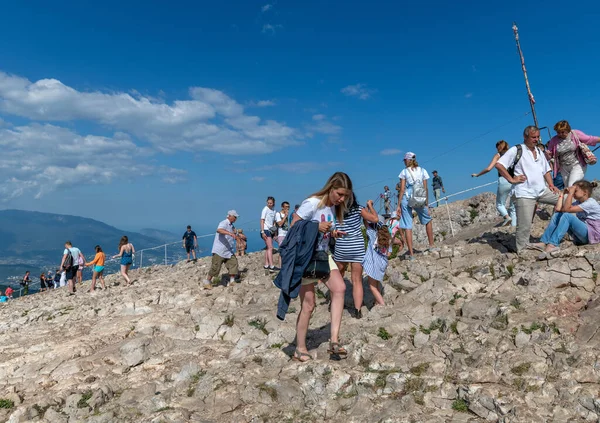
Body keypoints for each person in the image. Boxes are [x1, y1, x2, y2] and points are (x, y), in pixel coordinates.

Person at [284, 172, 352, 362]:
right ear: (330, 188)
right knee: (309, 304)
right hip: (306, 257)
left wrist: (333, 233)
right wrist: (316, 226)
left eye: (345, 196)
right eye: (339, 194)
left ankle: (335, 340)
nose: (342, 199)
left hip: (323, 255)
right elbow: (294, 225)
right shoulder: (313, 203)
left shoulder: (333, 208)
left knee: (340, 288)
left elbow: (324, 230)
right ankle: (300, 347)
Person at [496, 126, 560, 253]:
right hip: (524, 193)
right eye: (533, 137)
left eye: (537, 137)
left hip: (542, 190)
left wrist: (551, 185)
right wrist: (511, 179)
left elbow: (546, 170)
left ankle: (551, 235)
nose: (536, 139)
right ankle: (522, 251)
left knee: (564, 201)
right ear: (525, 137)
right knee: (524, 226)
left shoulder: (539, 151)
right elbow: (499, 164)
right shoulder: (516, 150)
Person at [529, 180, 600, 259]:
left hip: (592, 236)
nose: (573, 192)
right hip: (583, 235)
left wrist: (570, 193)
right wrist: (562, 194)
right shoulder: (578, 202)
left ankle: (552, 245)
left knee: (567, 216)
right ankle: (544, 242)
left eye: (575, 190)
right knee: (557, 215)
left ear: (585, 192)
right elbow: (559, 209)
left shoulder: (590, 203)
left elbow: (567, 210)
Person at [334, 197, 379, 319]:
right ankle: (357, 310)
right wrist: (370, 206)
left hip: (342, 247)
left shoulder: (335, 209)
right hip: (356, 247)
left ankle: (334, 303)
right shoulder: (359, 209)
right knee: (357, 280)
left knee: (338, 277)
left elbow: (330, 226)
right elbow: (375, 219)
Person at [396, 152, 439, 260]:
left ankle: (411, 254)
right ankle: (431, 246)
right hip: (419, 196)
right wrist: (427, 203)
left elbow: (402, 190)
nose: (404, 162)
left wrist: (398, 205)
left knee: (407, 225)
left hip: (407, 198)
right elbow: (426, 188)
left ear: (409, 160)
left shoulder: (404, 172)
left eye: (405, 160)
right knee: (427, 220)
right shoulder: (423, 170)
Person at [471, 140, 517, 227]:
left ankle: (507, 217)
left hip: (503, 180)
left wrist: (477, 175)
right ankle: (513, 227)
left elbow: (488, 169)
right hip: (514, 180)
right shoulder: (512, 154)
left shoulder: (498, 155)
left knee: (500, 204)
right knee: (513, 207)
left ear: (498, 147)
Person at [546, 120, 600, 188]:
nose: (560, 134)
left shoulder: (575, 134)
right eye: (558, 132)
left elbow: (589, 139)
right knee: (567, 188)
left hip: (577, 164)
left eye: (562, 132)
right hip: (563, 168)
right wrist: (548, 155)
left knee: (571, 185)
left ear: (568, 130)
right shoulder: (554, 140)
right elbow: (549, 154)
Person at [204, 210, 240, 289]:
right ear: (230, 216)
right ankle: (207, 282)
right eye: (235, 217)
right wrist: (230, 233)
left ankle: (232, 281)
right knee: (215, 267)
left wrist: (236, 233)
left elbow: (235, 234)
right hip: (219, 250)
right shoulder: (224, 222)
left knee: (233, 263)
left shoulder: (232, 226)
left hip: (228, 250)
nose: (236, 219)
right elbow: (219, 230)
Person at [362, 220, 391, 307]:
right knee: (377, 283)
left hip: (373, 264)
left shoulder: (373, 235)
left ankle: (382, 304)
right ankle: (377, 301)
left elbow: (365, 222)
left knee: (372, 287)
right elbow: (389, 254)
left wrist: (367, 208)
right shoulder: (388, 239)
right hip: (382, 265)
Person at [260, 196, 278, 272]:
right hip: (266, 230)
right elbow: (262, 220)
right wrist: (262, 231)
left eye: (271, 203)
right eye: (268, 203)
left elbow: (274, 221)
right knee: (270, 247)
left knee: (268, 248)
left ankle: (266, 264)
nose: (269, 204)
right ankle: (271, 265)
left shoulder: (274, 210)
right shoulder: (265, 209)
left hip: (271, 230)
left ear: (273, 203)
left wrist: (274, 230)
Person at [274, 202, 290, 267]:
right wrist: (285, 216)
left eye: (288, 207)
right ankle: (280, 267)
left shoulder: (286, 215)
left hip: (286, 234)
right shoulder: (278, 214)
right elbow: (280, 224)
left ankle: (284, 265)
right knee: (281, 251)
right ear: (282, 207)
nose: (287, 208)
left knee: (286, 250)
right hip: (281, 234)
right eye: (286, 207)